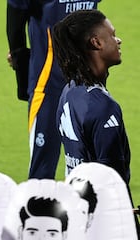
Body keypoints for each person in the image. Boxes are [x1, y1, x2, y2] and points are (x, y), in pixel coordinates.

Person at [52, 9, 139, 236]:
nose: (118, 40)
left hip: (77, 214)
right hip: (104, 224)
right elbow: (112, 182)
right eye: (113, 35)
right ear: (97, 42)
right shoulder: (103, 108)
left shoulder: (69, 91)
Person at [6, 0, 101, 179]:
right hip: (49, 85)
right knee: (43, 167)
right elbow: (15, 18)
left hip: (86, 84)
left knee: (89, 167)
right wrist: (20, 61)